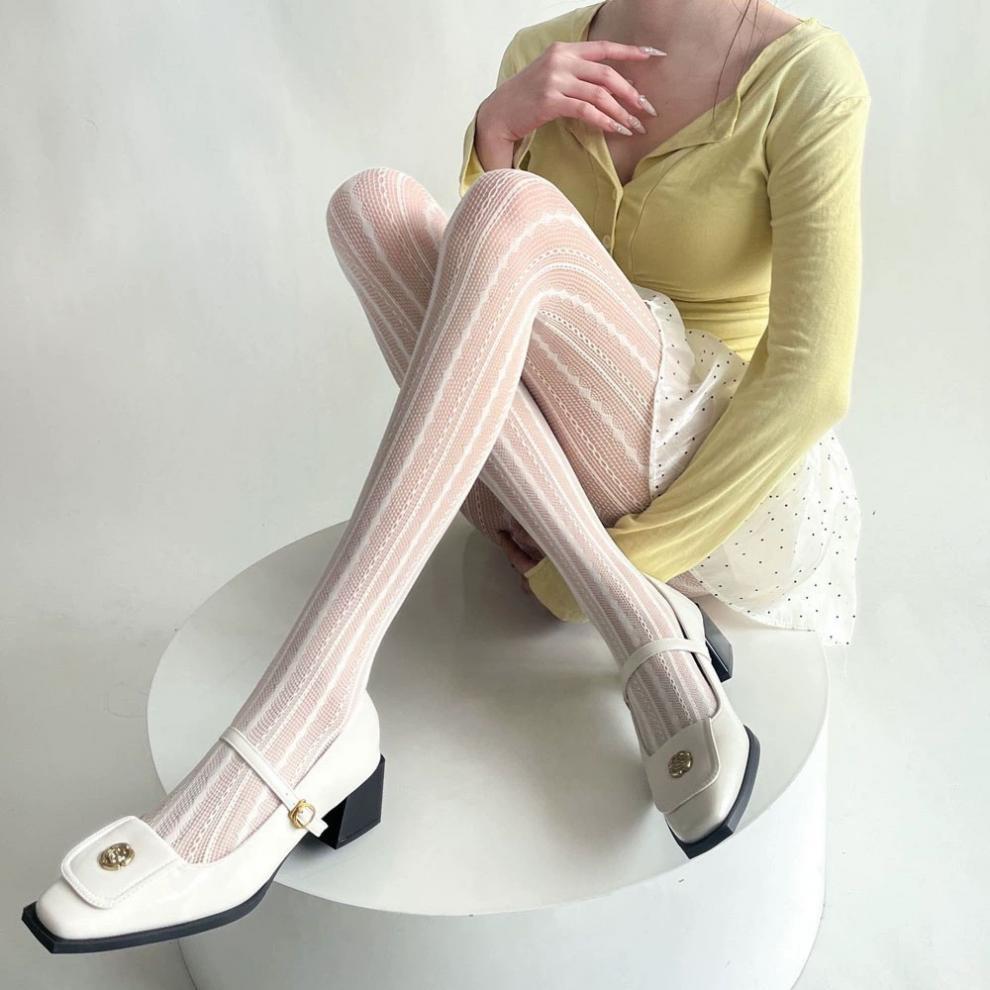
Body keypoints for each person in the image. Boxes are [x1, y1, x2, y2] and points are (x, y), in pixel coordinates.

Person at [22, 0, 870, 953]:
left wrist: (619, 558)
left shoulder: (804, 76)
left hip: (696, 456)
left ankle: (312, 708)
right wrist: (496, 132)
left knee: (510, 211)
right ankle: (640, 621)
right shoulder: (542, 53)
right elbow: (483, 296)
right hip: (551, 462)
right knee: (370, 205)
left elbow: (811, 382)